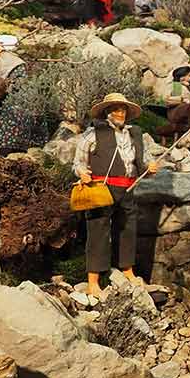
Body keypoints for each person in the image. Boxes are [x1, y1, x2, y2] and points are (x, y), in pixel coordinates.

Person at [72, 92, 162, 297]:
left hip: (128, 188)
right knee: (97, 231)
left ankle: (127, 270)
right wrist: (82, 173)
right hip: (101, 189)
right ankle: (93, 280)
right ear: (106, 112)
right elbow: (78, 162)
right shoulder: (93, 133)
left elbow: (144, 160)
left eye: (123, 109)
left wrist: (150, 167)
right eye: (115, 109)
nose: (119, 113)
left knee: (127, 230)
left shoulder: (136, 134)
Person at [155, 65, 190, 144]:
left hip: (188, 114)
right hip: (175, 112)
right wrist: (182, 100)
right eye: (188, 76)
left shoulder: (187, 89)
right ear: (181, 75)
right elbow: (167, 100)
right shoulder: (176, 86)